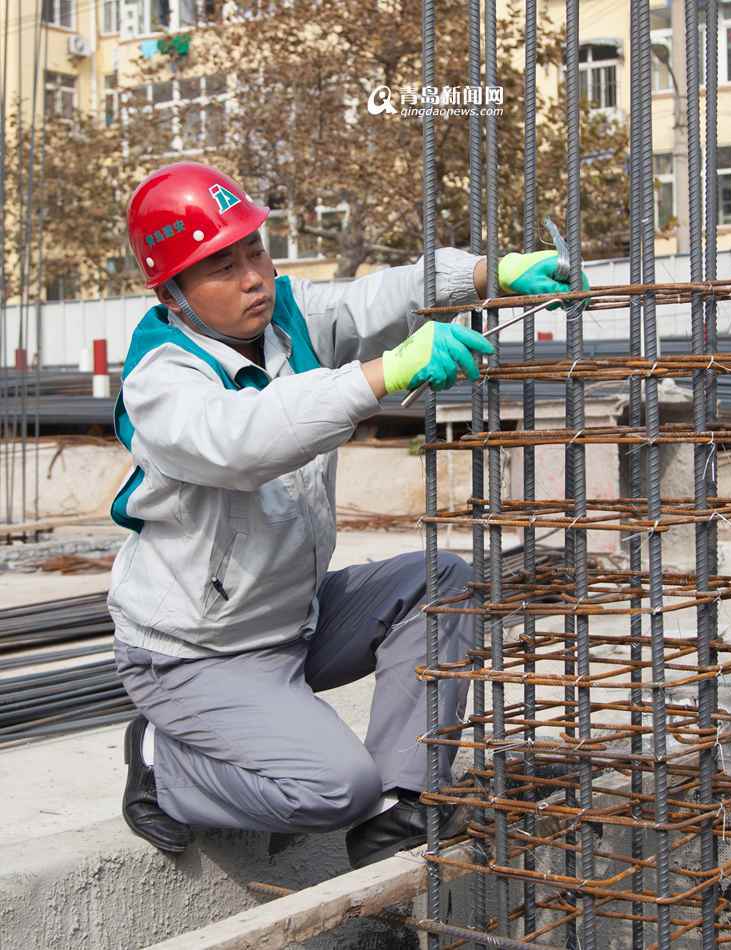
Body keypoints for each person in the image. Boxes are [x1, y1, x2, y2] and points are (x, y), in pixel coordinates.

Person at [112, 161, 573, 868]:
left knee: (441, 579)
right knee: (331, 789)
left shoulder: (288, 322)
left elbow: (376, 298)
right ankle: (159, 761)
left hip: (290, 620)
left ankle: (403, 803)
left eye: (254, 251)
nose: (252, 278)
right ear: (172, 290)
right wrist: (383, 374)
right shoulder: (161, 380)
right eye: (220, 267)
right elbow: (243, 440)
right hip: (196, 653)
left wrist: (489, 273)